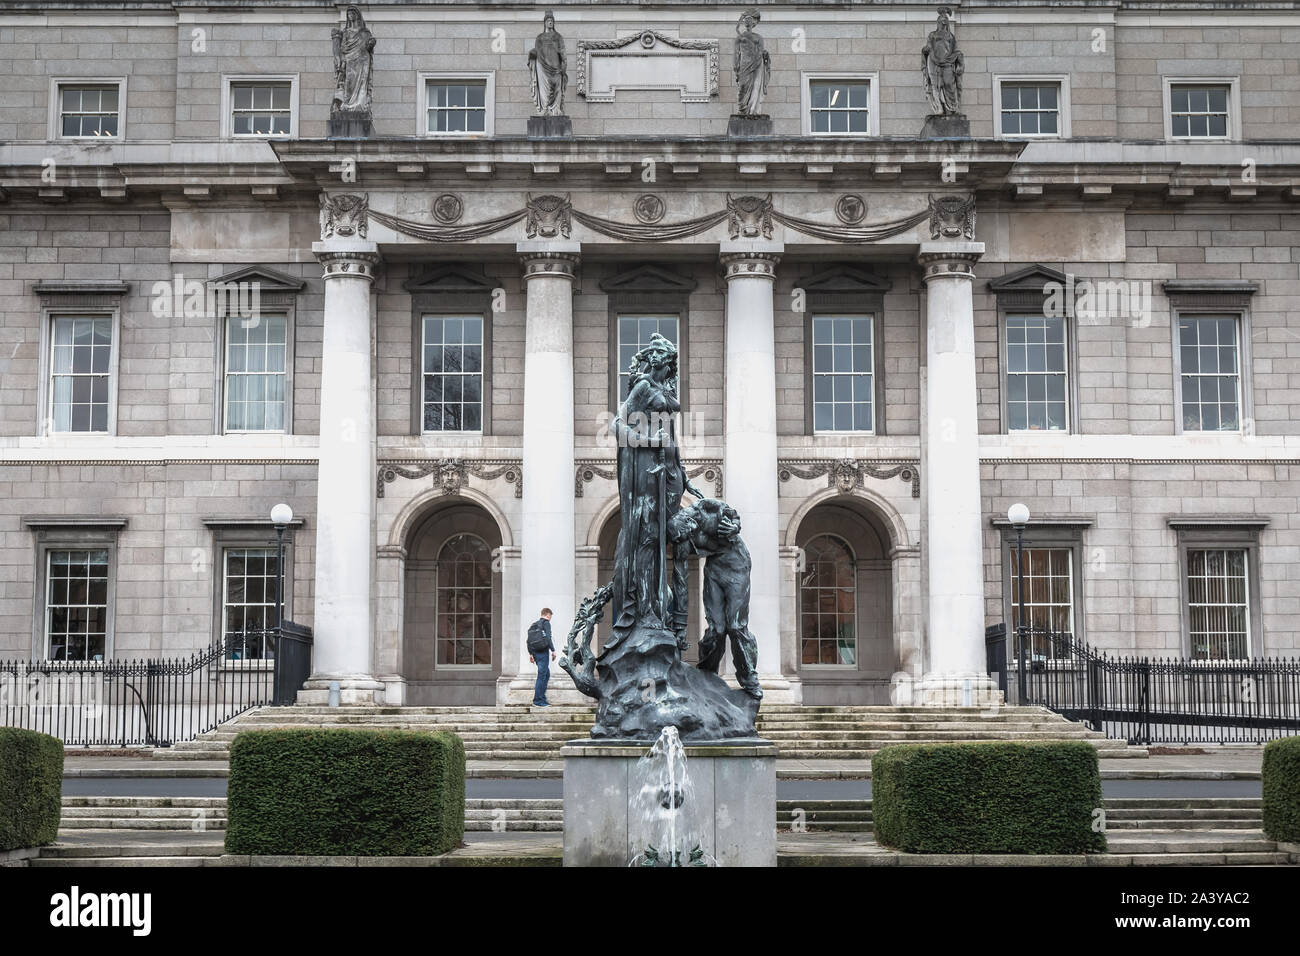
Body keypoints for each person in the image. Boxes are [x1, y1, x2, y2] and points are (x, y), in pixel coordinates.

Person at [527, 607, 556, 706]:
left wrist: (531, 654)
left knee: (546, 674)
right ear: (548, 615)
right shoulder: (546, 623)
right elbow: (548, 637)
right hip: (543, 652)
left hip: (535, 653)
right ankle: (537, 701)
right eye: (550, 616)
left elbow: (528, 641)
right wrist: (553, 650)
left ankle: (542, 698)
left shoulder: (533, 625)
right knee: (542, 676)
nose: (550, 618)